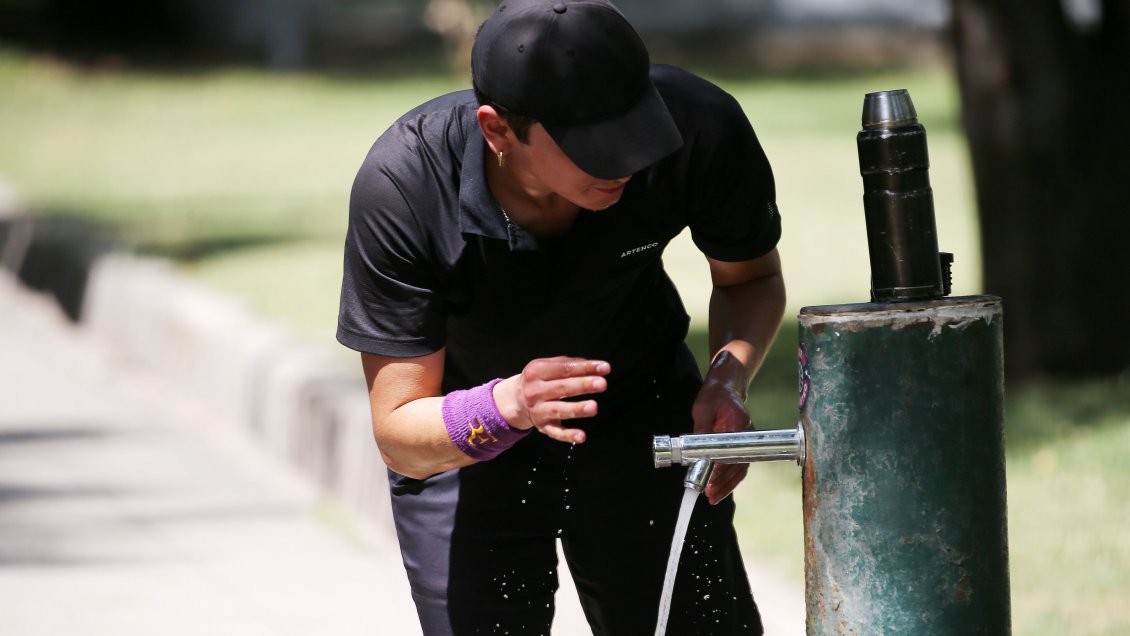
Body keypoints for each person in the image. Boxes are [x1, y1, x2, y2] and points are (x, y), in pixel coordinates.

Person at [337, 1, 785, 633]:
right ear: (497, 130)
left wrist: (727, 377)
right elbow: (400, 436)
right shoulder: (406, 187)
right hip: (471, 441)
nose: (629, 162)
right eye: (597, 147)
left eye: (638, 131)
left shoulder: (697, 125)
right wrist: (509, 405)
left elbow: (753, 278)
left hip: (643, 416)